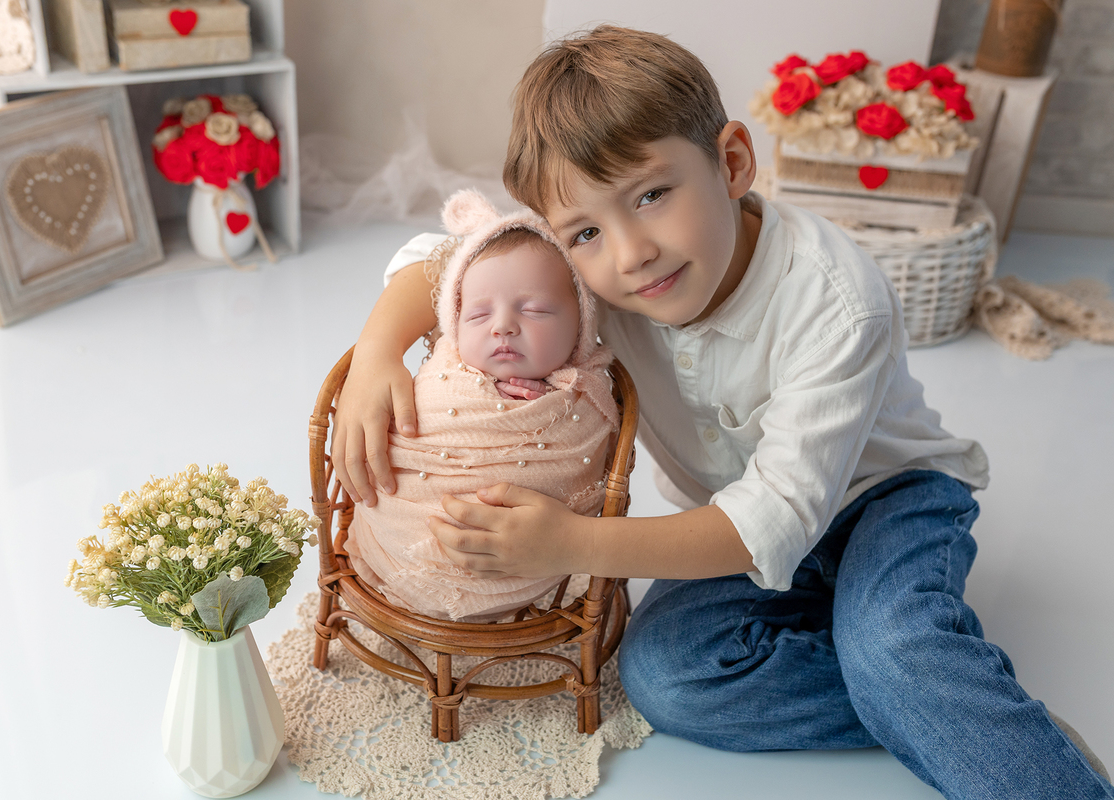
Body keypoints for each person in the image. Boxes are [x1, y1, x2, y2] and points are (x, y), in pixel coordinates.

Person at [331, 25, 1112, 798]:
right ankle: (944, 706)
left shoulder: (837, 301)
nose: (631, 251)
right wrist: (376, 352)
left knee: (892, 647)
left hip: (887, 501)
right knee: (663, 675)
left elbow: (774, 517)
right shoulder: (600, 280)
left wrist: (570, 542)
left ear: (732, 162)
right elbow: (449, 256)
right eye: (588, 231)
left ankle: (959, 709)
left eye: (653, 194)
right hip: (729, 521)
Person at [343, 188, 619, 622]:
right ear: (451, 324)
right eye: (477, 316)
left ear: (581, 325)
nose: (504, 326)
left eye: (534, 310)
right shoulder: (443, 370)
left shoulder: (583, 392)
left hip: (539, 556)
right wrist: (376, 351)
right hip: (398, 543)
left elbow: (587, 462)